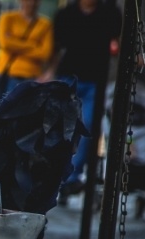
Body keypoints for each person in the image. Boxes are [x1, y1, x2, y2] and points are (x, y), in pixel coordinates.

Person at [40, 0, 121, 200]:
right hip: (67, 76)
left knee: (87, 127)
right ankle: (50, 173)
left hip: (96, 80)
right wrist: (49, 73)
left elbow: (117, 43)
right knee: (58, 127)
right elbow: (58, 47)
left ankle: (71, 177)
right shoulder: (67, 13)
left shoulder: (109, 12)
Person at [0, 0, 52, 93]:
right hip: (7, 72)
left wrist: (14, 42)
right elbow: (5, 44)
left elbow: (44, 53)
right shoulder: (7, 18)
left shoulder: (45, 24)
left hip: (31, 75)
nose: (31, 4)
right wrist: (33, 44)